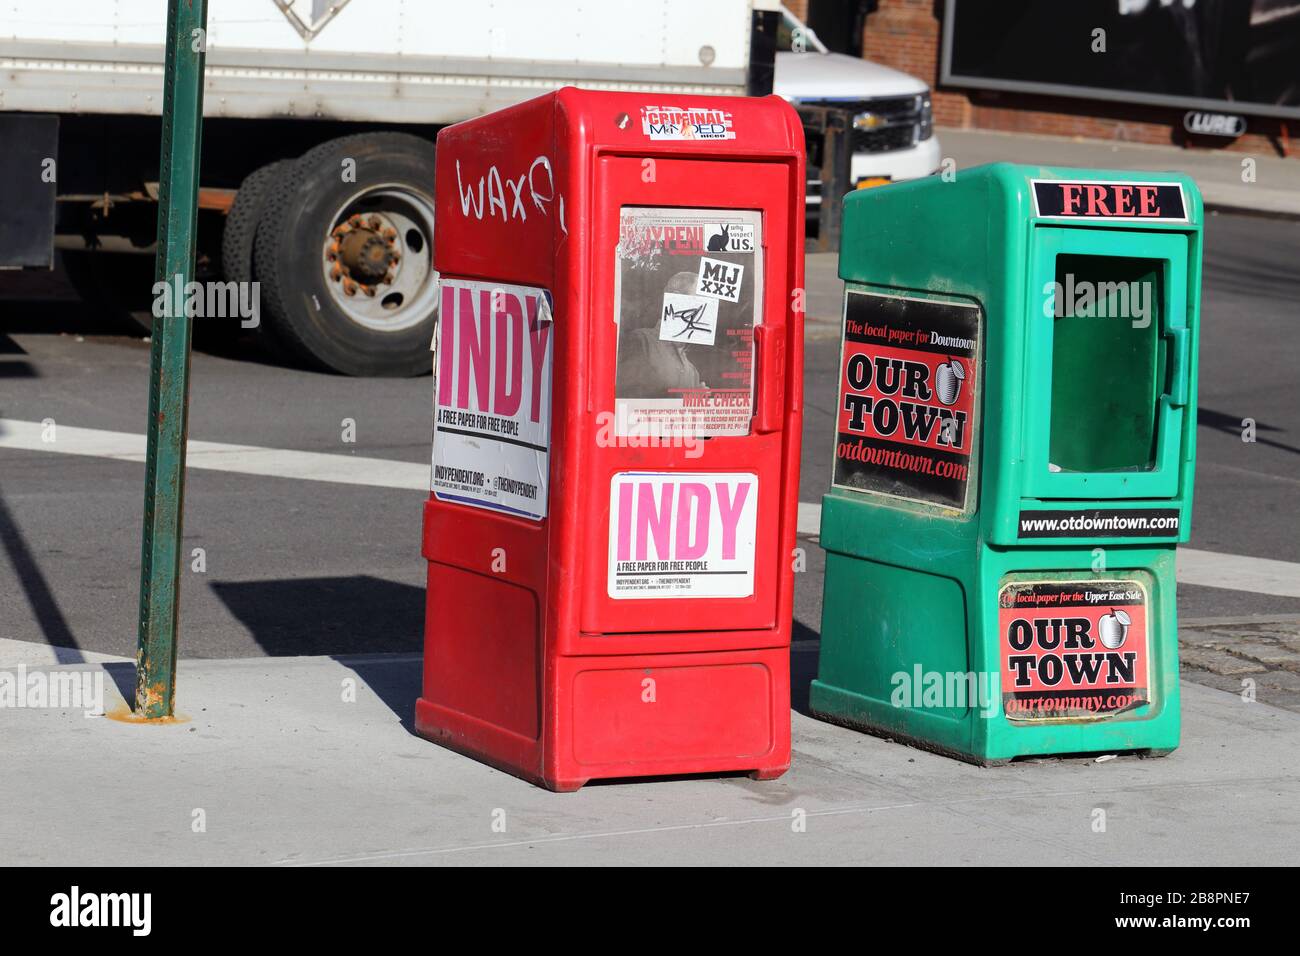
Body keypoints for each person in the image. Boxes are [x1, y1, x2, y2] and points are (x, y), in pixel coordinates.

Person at [616, 271, 708, 398]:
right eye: (699, 299)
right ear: (676, 299)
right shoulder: (641, 341)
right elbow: (623, 399)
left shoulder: (692, 372)